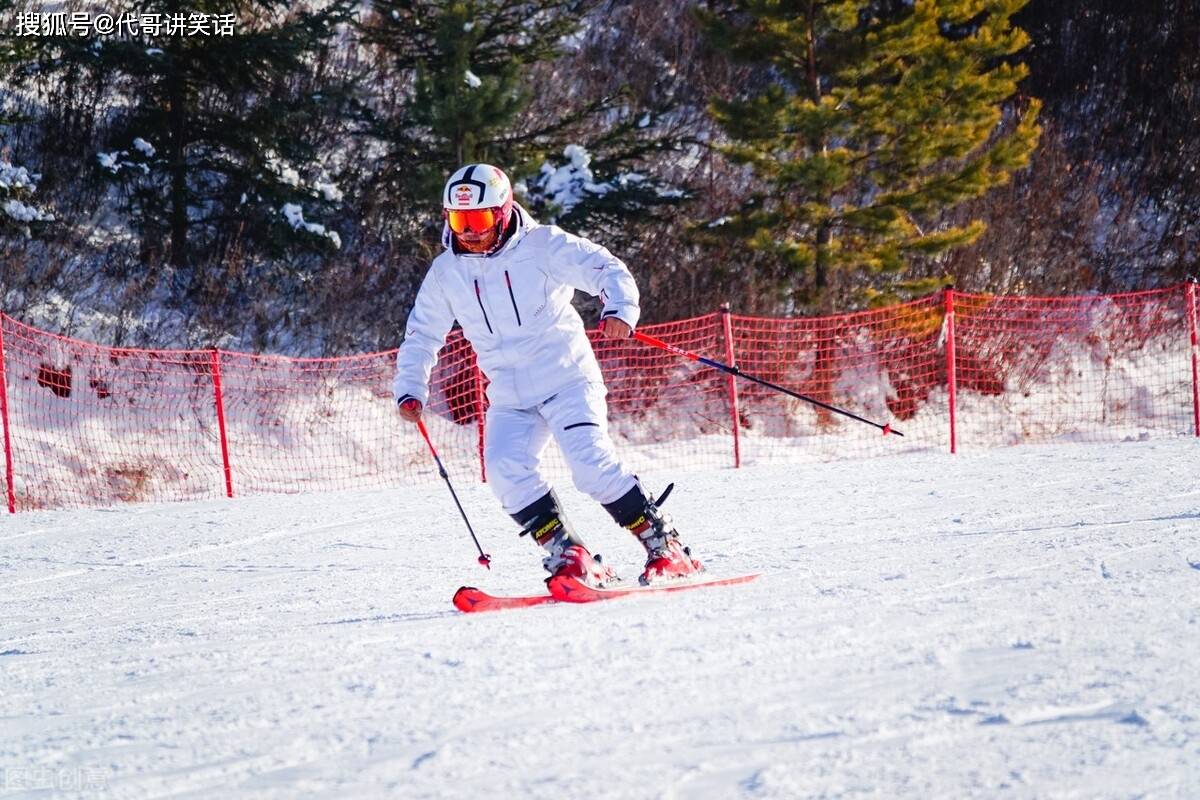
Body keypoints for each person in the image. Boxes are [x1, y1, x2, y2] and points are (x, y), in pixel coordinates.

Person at [393, 163, 701, 587]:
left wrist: (619, 309)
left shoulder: (542, 246)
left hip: (566, 378)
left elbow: (606, 269)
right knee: (504, 471)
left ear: (501, 213)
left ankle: (664, 546)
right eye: (459, 220)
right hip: (510, 394)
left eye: (478, 219)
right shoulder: (448, 272)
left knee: (590, 466)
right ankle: (570, 553)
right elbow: (422, 332)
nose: (469, 231)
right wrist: (410, 388)